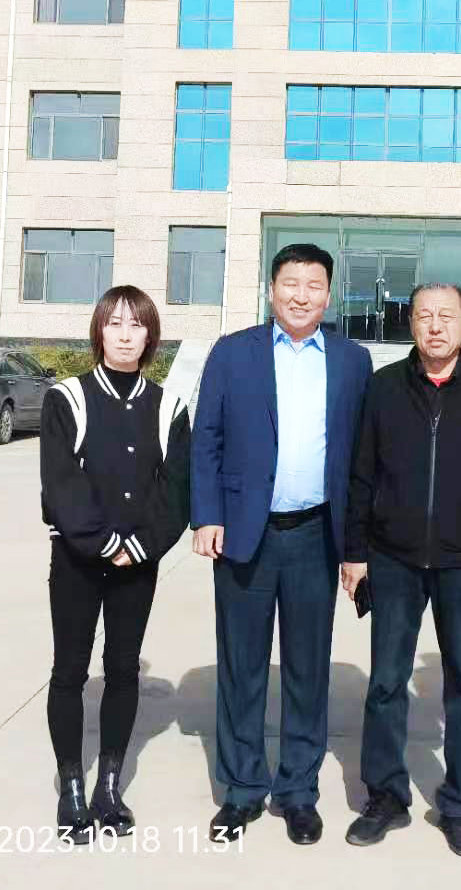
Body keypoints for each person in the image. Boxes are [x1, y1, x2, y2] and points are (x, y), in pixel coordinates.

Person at [191, 243, 373, 845]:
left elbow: (361, 458)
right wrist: (206, 516)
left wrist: (357, 547)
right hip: (245, 534)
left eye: (314, 285)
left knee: (307, 669)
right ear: (271, 290)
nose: (301, 295)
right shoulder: (232, 353)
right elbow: (206, 439)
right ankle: (243, 789)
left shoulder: (352, 360)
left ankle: (297, 790)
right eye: (290, 283)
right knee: (242, 667)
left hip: (316, 535)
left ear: (329, 294)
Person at [340, 283, 461, 858]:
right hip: (393, 558)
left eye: (447, 316)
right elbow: (361, 475)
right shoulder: (384, 388)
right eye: (425, 315)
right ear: (411, 324)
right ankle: (385, 797)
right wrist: (354, 552)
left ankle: (460, 806)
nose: (436, 326)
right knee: (386, 682)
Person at [40, 285, 191, 842]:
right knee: (70, 671)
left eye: (137, 325)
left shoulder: (169, 407)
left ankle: (109, 786)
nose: (126, 335)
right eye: (115, 323)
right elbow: (61, 483)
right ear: (99, 332)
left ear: (151, 336)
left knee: (123, 670)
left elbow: (175, 490)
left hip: (139, 564)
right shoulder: (67, 398)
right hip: (77, 561)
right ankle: (71, 787)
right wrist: (105, 543)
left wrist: (141, 546)